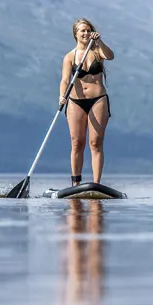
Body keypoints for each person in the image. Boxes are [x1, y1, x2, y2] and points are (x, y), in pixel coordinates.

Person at [60, 18, 114, 186]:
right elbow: (65, 80)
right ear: (75, 34)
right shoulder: (70, 57)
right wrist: (62, 96)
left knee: (95, 143)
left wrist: (99, 41)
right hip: (76, 102)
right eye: (82, 30)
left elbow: (110, 56)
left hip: (98, 100)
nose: (85, 33)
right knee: (77, 143)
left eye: (88, 30)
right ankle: (75, 183)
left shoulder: (98, 51)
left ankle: (96, 183)